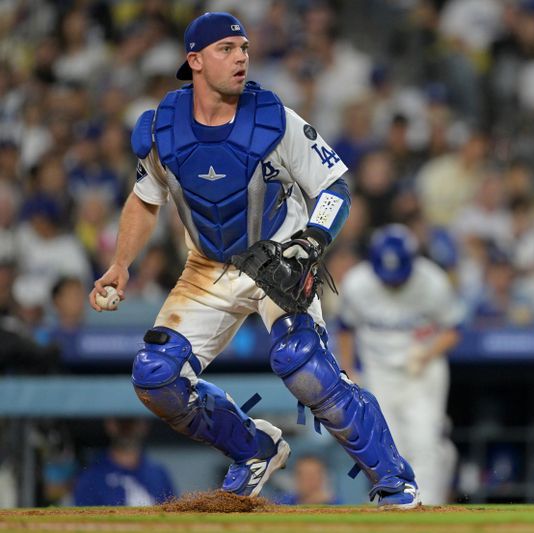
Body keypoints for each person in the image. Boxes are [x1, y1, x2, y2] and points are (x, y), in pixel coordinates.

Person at [88, 12, 419, 509]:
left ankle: (395, 483)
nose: (241, 56)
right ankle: (255, 448)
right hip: (207, 268)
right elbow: (144, 198)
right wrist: (121, 263)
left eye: (243, 47)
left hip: (279, 259)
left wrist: (311, 242)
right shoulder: (163, 128)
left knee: (303, 363)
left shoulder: (274, 117)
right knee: (155, 376)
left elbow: (334, 188)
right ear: (194, 60)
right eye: (226, 48)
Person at [337, 225, 463, 505]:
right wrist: (348, 369)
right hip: (379, 373)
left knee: (425, 441)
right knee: (387, 446)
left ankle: (426, 508)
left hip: (422, 373)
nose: (393, 282)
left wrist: (427, 353)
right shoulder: (358, 283)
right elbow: (345, 328)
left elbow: (454, 329)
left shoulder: (432, 281)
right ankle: (395, 505)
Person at [72, 418, 175, 506]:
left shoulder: (159, 474)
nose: (126, 428)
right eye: (121, 422)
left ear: (144, 424)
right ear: (109, 424)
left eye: (132, 422)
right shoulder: (91, 476)